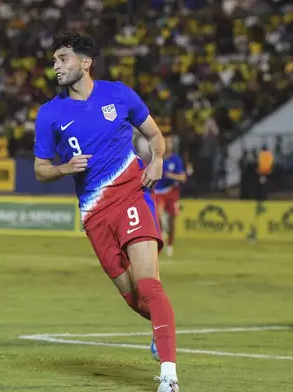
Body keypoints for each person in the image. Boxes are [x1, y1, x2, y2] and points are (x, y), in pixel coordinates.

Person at [32, 30, 179, 392]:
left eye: (62, 58)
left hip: (132, 195)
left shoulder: (119, 94)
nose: (56, 66)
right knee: (134, 298)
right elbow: (40, 169)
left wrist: (157, 159)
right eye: (54, 61)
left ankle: (169, 376)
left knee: (149, 283)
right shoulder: (49, 114)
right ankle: (161, 330)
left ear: (85, 63)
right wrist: (65, 169)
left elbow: (156, 136)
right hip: (94, 214)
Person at [154, 136, 186, 257]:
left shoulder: (176, 160)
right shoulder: (157, 158)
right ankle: (161, 234)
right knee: (158, 215)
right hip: (158, 192)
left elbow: (182, 177)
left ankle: (170, 245)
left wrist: (171, 176)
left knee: (172, 219)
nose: (168, 145)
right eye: (166, 142)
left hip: (172, 192)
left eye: (170, 143)